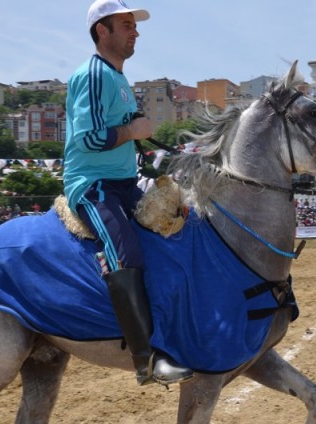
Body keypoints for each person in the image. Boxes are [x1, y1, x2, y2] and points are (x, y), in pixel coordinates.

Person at [63, 0, 193, 386]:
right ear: (102, 31)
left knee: (176, 228)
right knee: (126, 253)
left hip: (123, 182)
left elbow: (124, 134)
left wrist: (141, 136)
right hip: (92, 185)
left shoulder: (118, 78)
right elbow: (87, 139)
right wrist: (132, 131)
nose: (135, 31)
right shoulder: (91, 74)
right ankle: (146, 361)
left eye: (134, 25)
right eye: (126, 24)